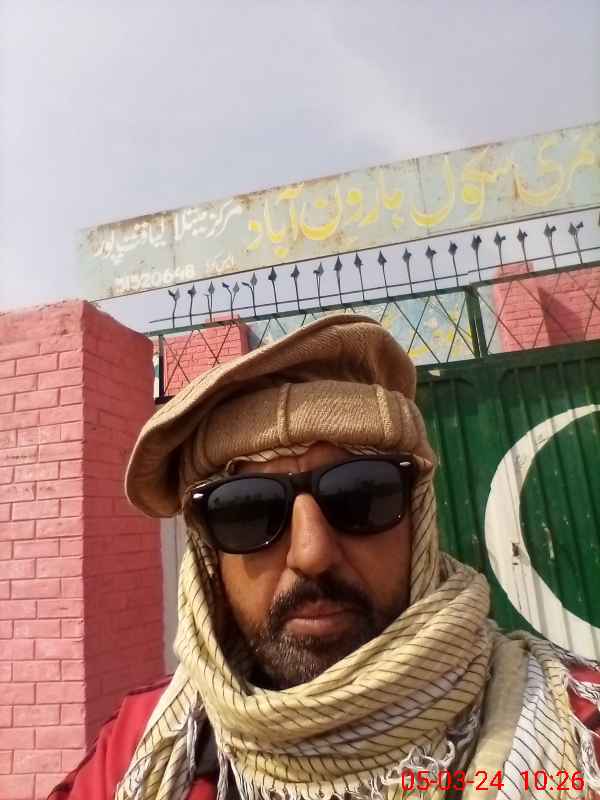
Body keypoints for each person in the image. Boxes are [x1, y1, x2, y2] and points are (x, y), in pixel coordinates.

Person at [50, 314, 600, 800]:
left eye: (360, 493)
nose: (312, 554)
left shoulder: (575, 728)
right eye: (247, 510)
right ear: (208, 555)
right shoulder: (135, 750)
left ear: (417, 521)